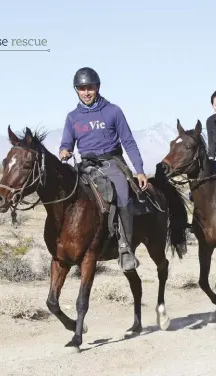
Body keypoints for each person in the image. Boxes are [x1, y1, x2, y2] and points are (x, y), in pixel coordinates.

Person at [59, 67, 148, 272]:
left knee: (123, 193)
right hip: (86, 166)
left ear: (97, 87)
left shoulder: (113, 111)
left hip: (111, 163)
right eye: (82, 88)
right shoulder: (72, 117)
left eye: (89, 87)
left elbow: (129, 141)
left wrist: (140, 170)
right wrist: (64, 151)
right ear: (77, 91)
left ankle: (125, 248)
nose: (86, 92)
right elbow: (66, 144)